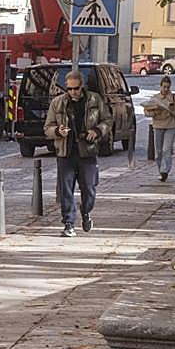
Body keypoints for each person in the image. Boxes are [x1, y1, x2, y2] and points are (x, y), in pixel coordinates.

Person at [44, 70, 110, 237]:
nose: (73, 92)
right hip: (65, 152)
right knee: (66, 189)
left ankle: (86, 211)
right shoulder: (58, 103)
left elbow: (107, 120)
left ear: (82, 86)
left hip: (87, 151)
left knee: (89, 188)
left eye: (76, 88)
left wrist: (97, 131)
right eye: (70, 89)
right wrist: (58, 131)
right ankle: (68, 222)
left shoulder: (94, 100)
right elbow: (47, 127)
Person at [144, 76, 175, 182]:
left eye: (168, 87)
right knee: (159, 152)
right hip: (158, 126)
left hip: (170, 126)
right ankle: (161, 170)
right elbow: (146, 112)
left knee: (167, 149)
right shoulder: (155, 98)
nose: (166, 89)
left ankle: (165, 171)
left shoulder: (174, 97)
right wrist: (154, 112)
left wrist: (171, 109)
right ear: (160, 86)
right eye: (164, 87)